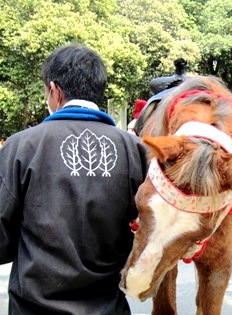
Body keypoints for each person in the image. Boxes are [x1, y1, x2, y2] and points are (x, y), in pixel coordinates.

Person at [0, 44, 148, 314]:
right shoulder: (134, 150)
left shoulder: (22, 146)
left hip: (34, 307)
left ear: (54, 90)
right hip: (108, 306)